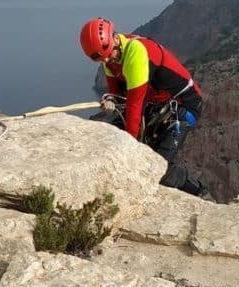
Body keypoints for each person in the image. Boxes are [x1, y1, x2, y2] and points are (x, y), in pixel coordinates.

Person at [79, 17, 210, 197]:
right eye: (103, 58)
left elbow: (134, 105)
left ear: (115, 39)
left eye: (109, 54)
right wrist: (110, 101)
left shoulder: (136, 52)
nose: (108, 60)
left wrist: (130, 145)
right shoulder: (109, 57)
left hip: (183, 105)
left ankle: (200, 192)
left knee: (156, 166)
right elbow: (120, 98)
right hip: (158, 104)